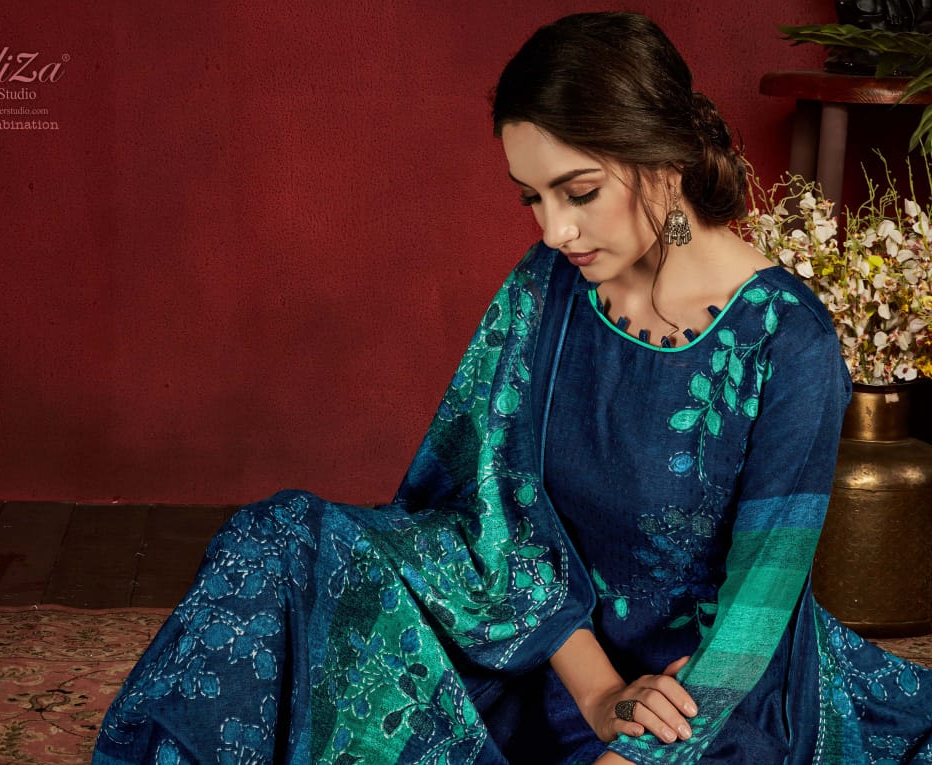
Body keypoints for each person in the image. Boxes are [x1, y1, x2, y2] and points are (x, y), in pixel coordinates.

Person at [92, 12, 932, 764]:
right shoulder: (548, 287)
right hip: (540, 650)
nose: (554, 229)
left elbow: (758, 610)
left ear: (665, 159)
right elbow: (494, 507)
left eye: (580, 192)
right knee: (279, 541)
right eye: (532, 197)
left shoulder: (788, 341)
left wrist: (636, 746)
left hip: (713, 694)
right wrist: (599, 692)